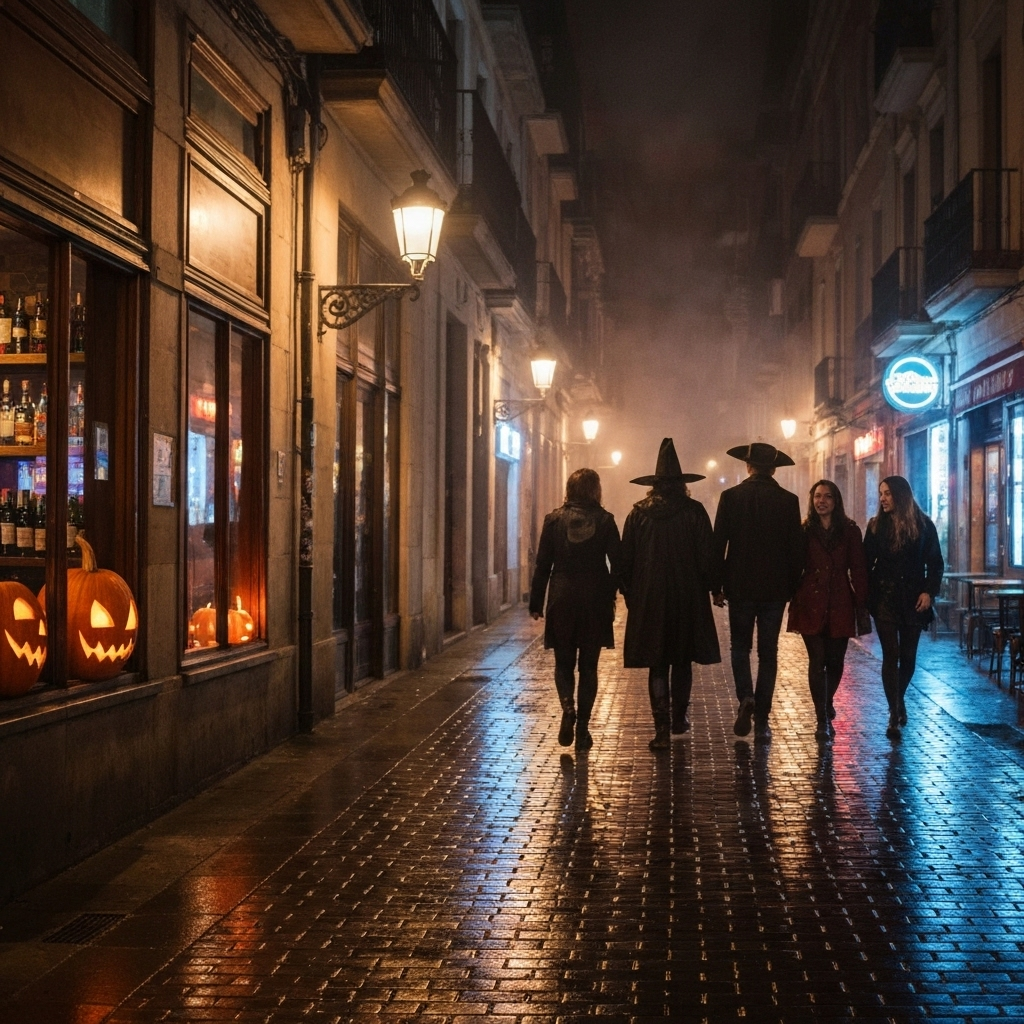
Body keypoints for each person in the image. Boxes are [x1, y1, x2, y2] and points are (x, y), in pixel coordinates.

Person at [619, 438, 721, 751]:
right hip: (687, 598)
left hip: (650, 599)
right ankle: (679, 719)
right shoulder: (695, 512)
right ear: (681, 485)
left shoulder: (638, 514)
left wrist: (631, 596)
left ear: (654, 486)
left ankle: (661, 728)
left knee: (657, 662)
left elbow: (625, 562)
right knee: (682, 660)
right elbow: (708, 558)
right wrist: (713, 588)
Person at [713, 442, 803, 740]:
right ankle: (762, 711)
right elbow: (795, 551)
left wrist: (716, 585)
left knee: (739, 647)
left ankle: (745, 698)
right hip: (775, 589)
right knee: (768, 652)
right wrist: (791, 587)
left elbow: (718, 545)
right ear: (773, 469)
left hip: (738, 586)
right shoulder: (788, 501)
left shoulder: (730, 498)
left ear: (748, 467)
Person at [529, 467, 620, 752]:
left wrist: (535, 602)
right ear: (596, 490)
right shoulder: (605, 521)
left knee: (563, 662)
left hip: (562, 596)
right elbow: (619, 563)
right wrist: (612, 594)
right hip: (594, 599)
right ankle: (582, 729)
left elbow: (542, 565)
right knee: (589, 667)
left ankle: (568, 707)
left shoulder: (553, 520)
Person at [786, 480, 869, 741]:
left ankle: (827, 699)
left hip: (840, 602)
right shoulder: (803, 531)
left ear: (836, 501)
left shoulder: (850, 530)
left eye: (827, 497)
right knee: (817, 660)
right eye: (817, 496)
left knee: (835, 661)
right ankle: (822, 718)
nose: (821, 501)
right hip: (810, 601)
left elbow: (858, 567)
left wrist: (864, 600)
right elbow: (793, 566)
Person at [863, 475, 943, 739]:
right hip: (884, 596)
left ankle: (899, 699)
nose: (883, 498)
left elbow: (935, 563)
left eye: (887, 493)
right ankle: (893, 711)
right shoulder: (875, 526)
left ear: (901, 495)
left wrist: (929, 592)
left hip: (913, 598)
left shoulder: (923, 526)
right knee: (891, 654)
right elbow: (865, 562)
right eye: (881, 493)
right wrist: (864, 595)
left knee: (908, 657)